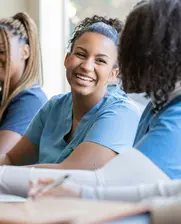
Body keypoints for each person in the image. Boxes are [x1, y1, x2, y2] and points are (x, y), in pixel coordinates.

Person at [26, 0, 181, 201]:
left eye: (131, 47)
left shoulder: (173, 117)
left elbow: (106, 182)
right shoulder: (156, 107)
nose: (126, 58)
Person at [0, 15, 140, 170]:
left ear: (113, 74)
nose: (87, 66)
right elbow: (12, 160)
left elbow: (69, 174)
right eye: (81, 54)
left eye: (100, 61)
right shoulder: (55, 107)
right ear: (67, 59)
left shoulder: (122, 114)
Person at [0, 12, 47, 153]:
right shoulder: (5, 98)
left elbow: (2, 158)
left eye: (1, 50)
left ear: (25, 52)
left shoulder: (30, 100)